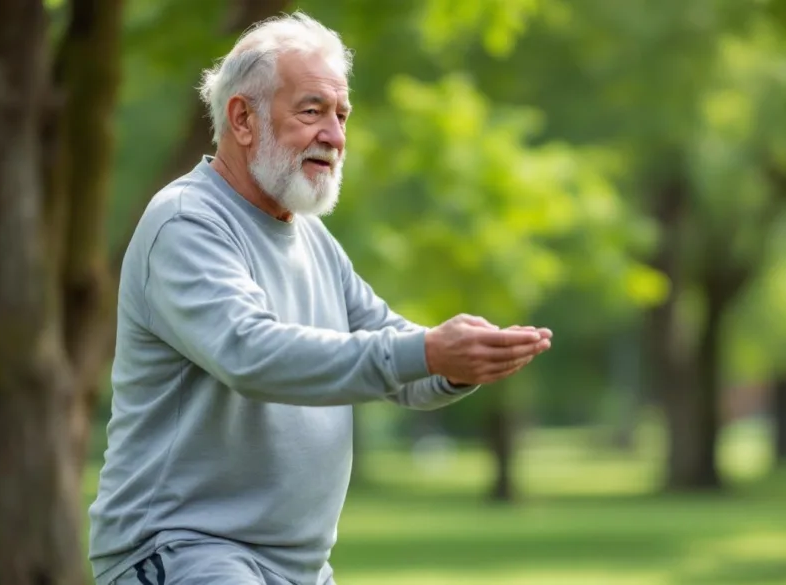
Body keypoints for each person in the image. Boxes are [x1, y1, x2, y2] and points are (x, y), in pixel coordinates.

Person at [87, 11, 552, 585]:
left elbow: (395, 360)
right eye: (312, 112)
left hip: (300, 568)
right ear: (243, 119)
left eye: (341, 115)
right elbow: (251, 354)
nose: (334, 136)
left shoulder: (313, 240)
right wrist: (428, 351)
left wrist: (459, 364)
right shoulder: (186, 222)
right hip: (183, 549)